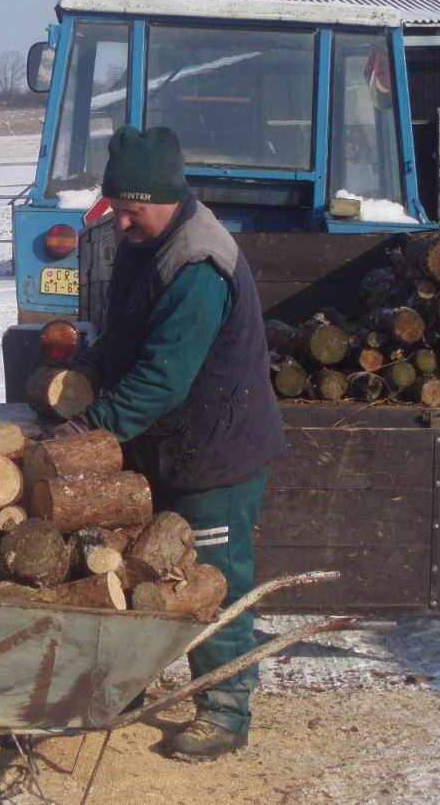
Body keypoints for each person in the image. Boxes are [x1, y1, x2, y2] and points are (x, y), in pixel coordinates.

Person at [60, 124, 287, 761]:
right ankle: (131, 683)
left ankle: (226, 709)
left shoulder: (197, 264)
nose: (123, 224)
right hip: (172, 444)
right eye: (118, 211)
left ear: (161, 196)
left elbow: (163, 377)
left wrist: (90, 425)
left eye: (131, 211)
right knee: (140, 568)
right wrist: (91, 371)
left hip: (216, 450)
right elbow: (129, 336)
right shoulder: (146, 242)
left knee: (214, 581)